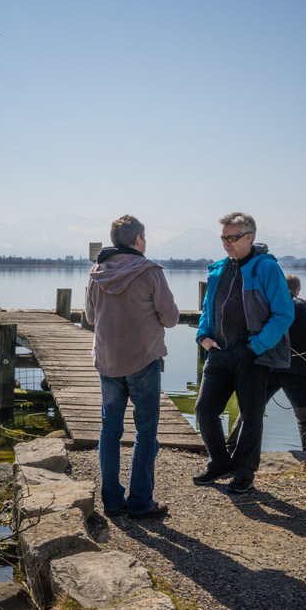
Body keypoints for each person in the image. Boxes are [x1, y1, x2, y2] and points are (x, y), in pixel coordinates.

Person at [85, 215, 180, 519]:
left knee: (110, 430)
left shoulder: (96, 272)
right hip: (143, 360)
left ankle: (112, 502)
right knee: (145, 430)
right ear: (138, 239)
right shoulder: (149, 272)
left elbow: (89, 317)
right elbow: (171, 318)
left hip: (108, 361)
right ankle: (141, 502)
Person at [194, 212, 294, 494]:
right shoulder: (218, 269)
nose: (226, 243)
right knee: (204, 409)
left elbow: (284, 314)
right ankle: (220, 464)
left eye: (232, 237)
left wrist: (256, 346)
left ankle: (244, 471)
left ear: (249, 237)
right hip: (219, 352)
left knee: (250, 415)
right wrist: (202, 336)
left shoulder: (266, 268)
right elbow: (207, 309)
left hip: (252, 353)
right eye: (223, 237)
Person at [226, 274, 306, 450]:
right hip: (297, 369)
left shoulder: (265, 307)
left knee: (250, 410)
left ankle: (232, 446)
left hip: (267, 367)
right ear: (297, 290)